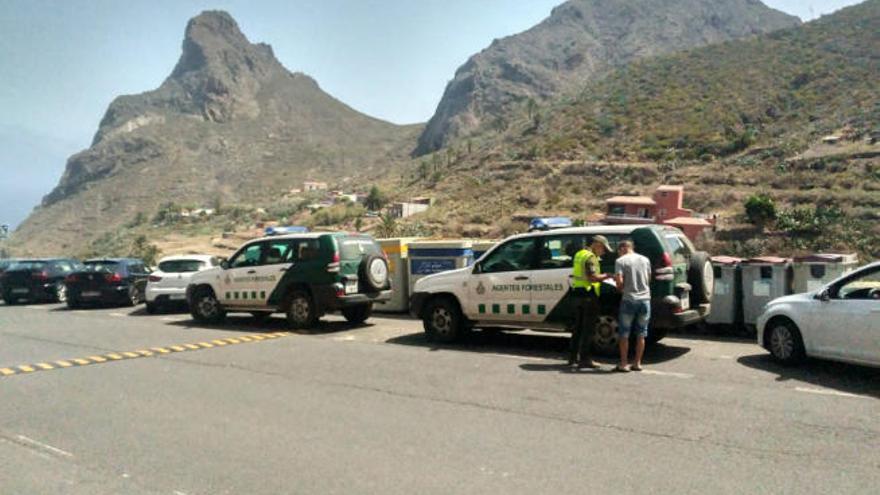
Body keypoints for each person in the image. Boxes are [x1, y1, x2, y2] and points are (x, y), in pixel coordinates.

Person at [568, 235, 613, 369]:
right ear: (597, 244)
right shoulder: (590, 257)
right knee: (588, 329)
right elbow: (592, 277)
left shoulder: (579, 254)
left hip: (577, 294)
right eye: (603, 248)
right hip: (588, 295)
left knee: (578, 328)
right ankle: (585, 359)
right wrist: (607, 275)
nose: (603, 252)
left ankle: (572, 358)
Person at [614, 240, 652, 372]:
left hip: (629, 299)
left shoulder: (621, 261)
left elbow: (619, 280)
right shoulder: (645, 259)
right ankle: (637, 363)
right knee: (641, 333)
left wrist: (619, 288)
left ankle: (624, 364)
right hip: (645, 299)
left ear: (622, 249)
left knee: (624, 333)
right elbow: (649, 277)